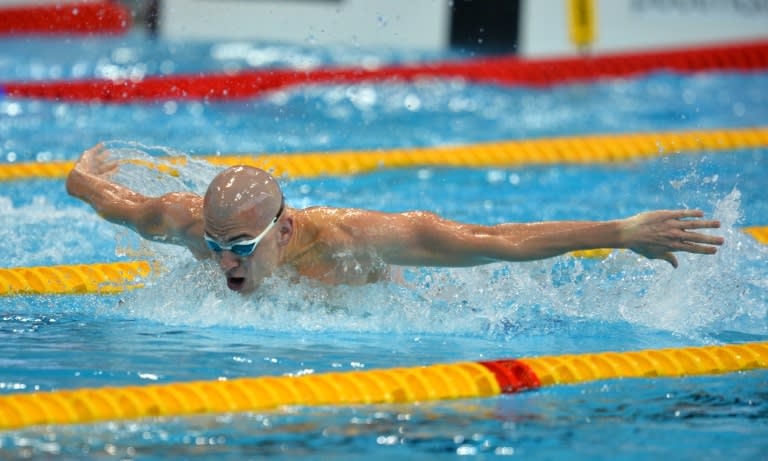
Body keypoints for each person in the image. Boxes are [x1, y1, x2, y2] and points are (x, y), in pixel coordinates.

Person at [66, 144, 725, 294]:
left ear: (286, 229)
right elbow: (111, 201)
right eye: (214, 246)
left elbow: (494, 241)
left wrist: (619, 232)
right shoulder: (185, 223)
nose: (223, 262)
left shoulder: (356, 239)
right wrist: (81, 175)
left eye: (239, 245)